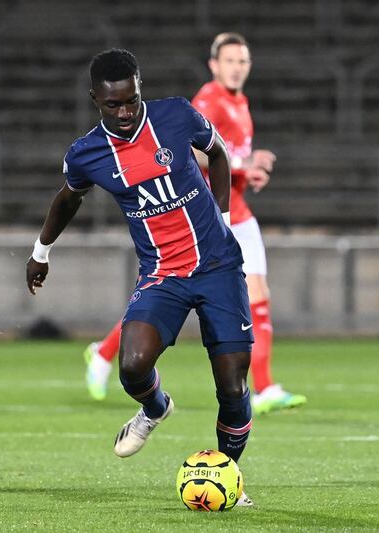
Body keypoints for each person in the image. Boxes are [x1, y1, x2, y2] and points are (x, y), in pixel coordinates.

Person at [27, 49, 255, 505]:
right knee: (131, 365)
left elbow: (218, 152)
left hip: (217, 268)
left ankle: (228, 476)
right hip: (162, 274)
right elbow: (67, 200)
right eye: (114, 104)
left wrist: (225, 218)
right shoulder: (87, 153)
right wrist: (41, 251)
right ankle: (154, 408)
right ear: (95, 99)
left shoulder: (175, 116)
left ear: (139, 88)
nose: (126, 112)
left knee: (231, 385)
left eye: (131, 100)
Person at [83, 33, 307, 416]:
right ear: (214, 65)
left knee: (256, 294)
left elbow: (228, 158)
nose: (238, 67)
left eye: (244, 61)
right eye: (231, 60)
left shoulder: (240, 103)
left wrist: (247, 171)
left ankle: (265, 386)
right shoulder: (209, 101)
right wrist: (240, 167)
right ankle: (106, 352)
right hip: (206, 217)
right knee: (176, 291)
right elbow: (192, 154)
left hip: (237, 209)